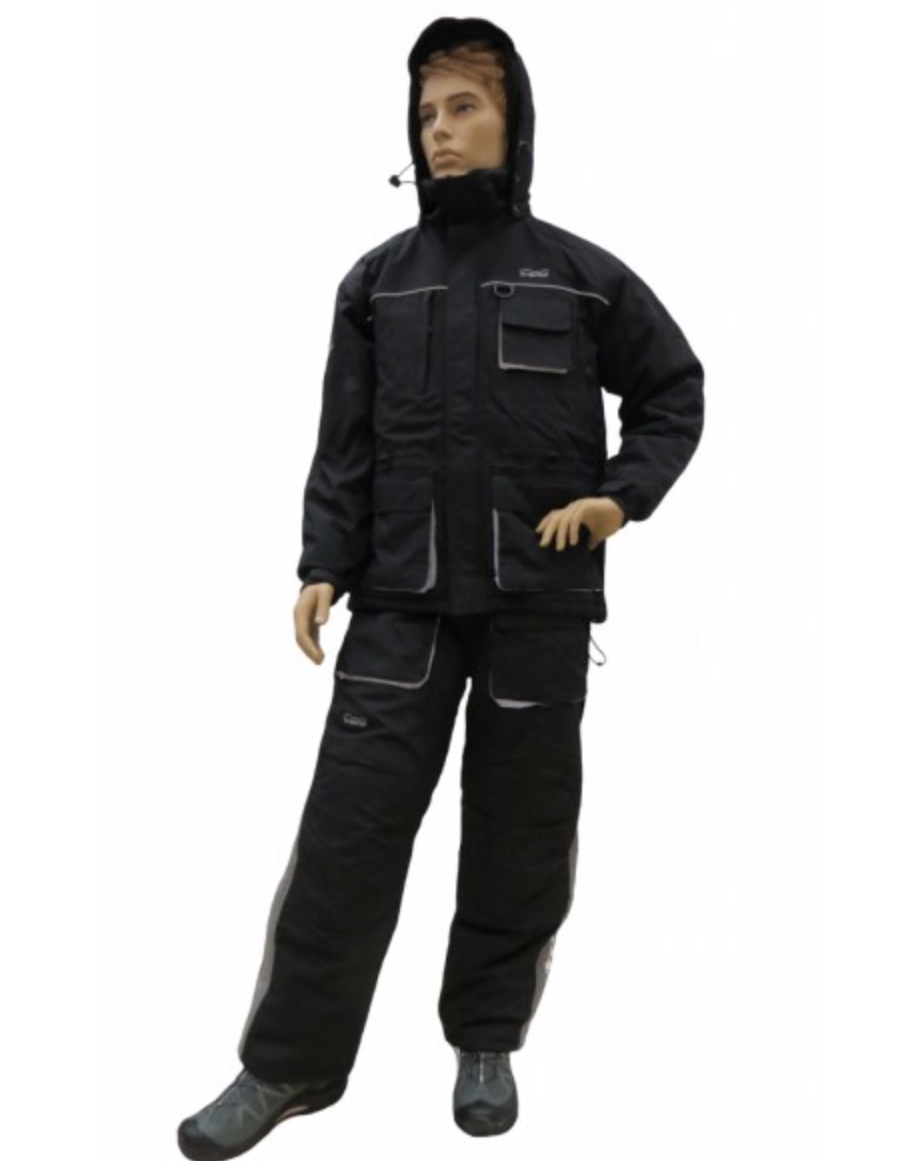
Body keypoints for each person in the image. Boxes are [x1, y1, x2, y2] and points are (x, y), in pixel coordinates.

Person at [178, 15, 705, 1159]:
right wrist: (322, 563)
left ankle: (485, 1040)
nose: (440, 132)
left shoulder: (582, 279)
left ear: (514, 121)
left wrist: (619, 498)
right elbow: (345, 445)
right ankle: (287, 1066)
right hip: (401, 606)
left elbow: (671, 391)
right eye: (425, 113)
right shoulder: (376, 285)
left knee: (521, 832)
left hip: (535, 605)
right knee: (346, 834)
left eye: (464, 106)